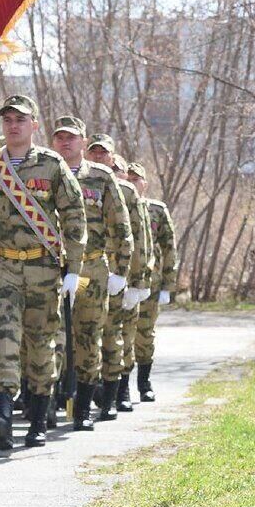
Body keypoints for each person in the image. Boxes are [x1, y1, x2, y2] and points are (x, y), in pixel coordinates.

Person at [0, 95, 87, 449]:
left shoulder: (52, 165)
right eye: (8, 120)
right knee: (2, 339)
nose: (14, 125)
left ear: (34, 125)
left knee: (40, 344)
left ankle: (38, 418)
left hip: (42, 267)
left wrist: (73, 268)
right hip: (2, 266)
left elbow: (75, 216)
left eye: (21, 119)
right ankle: (1, 414)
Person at [52, 116, 133, 429]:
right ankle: (46, 408)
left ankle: (82, 410)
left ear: (82, 141)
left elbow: (120, 225)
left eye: (71, 137)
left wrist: (121, 270)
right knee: (52, 338)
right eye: (59, 137)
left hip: (90, 268)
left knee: (86, 337)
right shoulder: (46, 173)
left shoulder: (100, 177)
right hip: (53, 268)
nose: (65, 142)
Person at [85, 136, 153, 416]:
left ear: (113, 158)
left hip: (116, 272)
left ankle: (120, 389)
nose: (99, 157)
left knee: (115, 334)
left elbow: (138, 237)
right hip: (85, 273)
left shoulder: (126, 192)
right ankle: (82, 393)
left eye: (104, 153)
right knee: (85, 335)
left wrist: (138, 281)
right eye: (94, 152)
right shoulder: (75, 181)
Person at [128, 162, 178, 403]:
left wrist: (168, 285)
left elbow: (169, 249)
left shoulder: (156, 210)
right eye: (128, 178)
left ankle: (144, 382)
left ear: (144, 184)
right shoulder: (117, 206)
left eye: (136, 179)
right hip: (123, 281)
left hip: (151, 282)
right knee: (121, 335)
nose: (131, 182)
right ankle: (119, 387)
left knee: (144, 334)